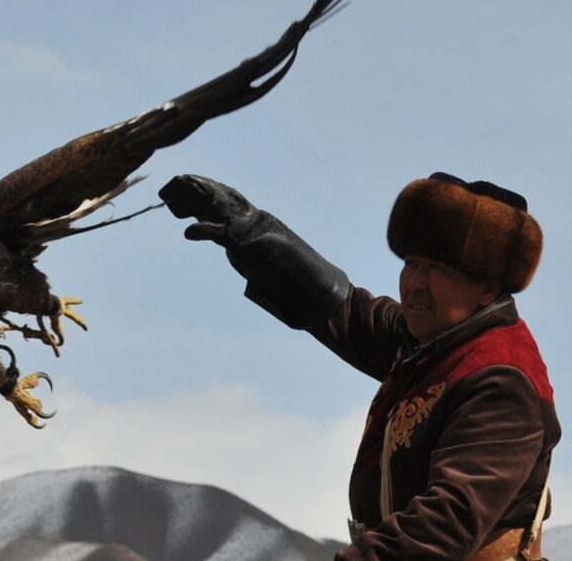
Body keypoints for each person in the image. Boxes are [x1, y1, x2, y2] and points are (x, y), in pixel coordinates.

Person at [160, 172, 560, 560]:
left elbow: (447, 521)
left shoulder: (502, 380)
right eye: (412, 263)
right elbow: (339, 306)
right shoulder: (429, 343)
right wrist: (251, 234)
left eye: (437, 269)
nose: (415, 283)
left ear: (487, 287)